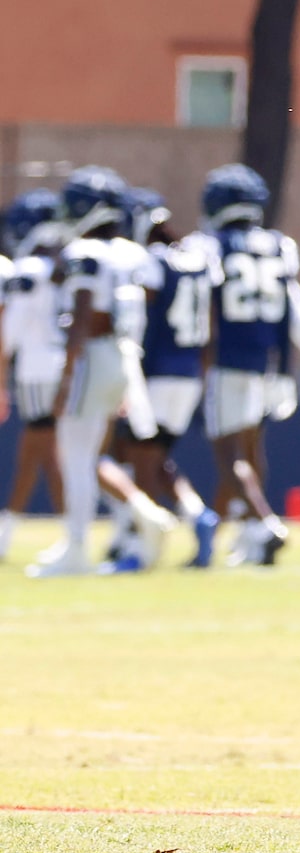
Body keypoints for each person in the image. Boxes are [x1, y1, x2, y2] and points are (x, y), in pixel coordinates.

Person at [198, 163, 300, 566]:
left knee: (228, 454)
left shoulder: (210, 247)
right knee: (249, 449)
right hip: (268, 362)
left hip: (227, 359)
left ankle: (264, 523)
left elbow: (205, 309)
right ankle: (234, 537)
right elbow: (297, 309)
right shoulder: (279, 245)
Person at [36, 168, 156, 576]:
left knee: (77, 458)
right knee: (90, 455)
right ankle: (129, 526)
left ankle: (77, 549)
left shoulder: (86, 253)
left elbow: (84, 315)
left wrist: (66, 377)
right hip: (120, 356)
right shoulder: (128, 252)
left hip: (92, 356)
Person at [123, 190, 223, 567]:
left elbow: (142, 319)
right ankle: (197, 515)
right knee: (157, 457)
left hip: (159, 371)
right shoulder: (198, 259)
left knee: (141, 460)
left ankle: (141, 550)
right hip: (189, 374)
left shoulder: (153, 262)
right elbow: (210, 323)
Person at [1, 189, 67, 561]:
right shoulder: (65, 262)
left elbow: (9, 332)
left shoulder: (27, 270)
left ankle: (74, 529)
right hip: (62, 365)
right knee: (42, 453)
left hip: (37, 369)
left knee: (43, 451)